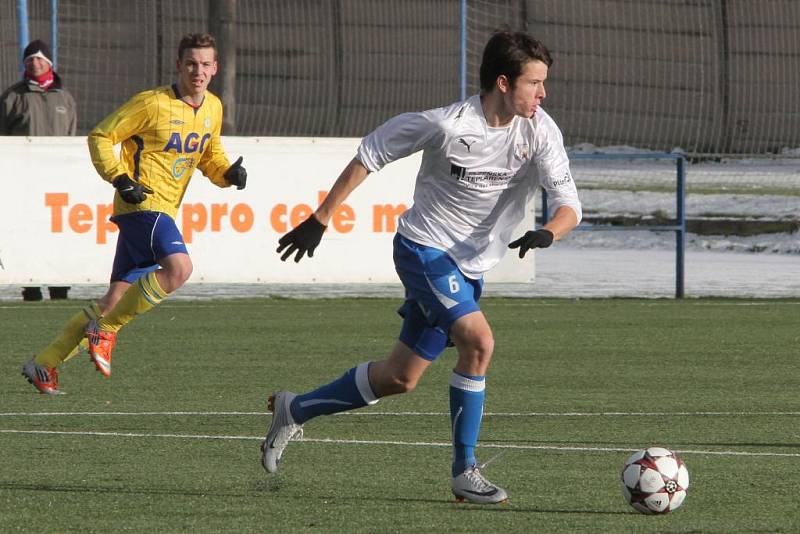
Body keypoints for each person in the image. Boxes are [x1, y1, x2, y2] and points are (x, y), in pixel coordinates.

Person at [262, 30, 582, 504]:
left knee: (399, 377)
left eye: (543, 83)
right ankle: (463, 472)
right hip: (423, 250)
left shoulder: (540, 131)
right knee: (479, 342)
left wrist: (548, 232)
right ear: (502, 82)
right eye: (534, 83)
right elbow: (371, 153)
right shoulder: (448, 125)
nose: (543, 93)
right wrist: (320, 218)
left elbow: (570, 204)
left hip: (470, 269)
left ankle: (295, 409)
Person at [21, 32, 247, 394]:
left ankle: (44, 363)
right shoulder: (152, 103)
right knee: (179, 269)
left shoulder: (213, 108)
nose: (198, 71)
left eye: (205, 64)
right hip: (141, 205)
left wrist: (227, 175)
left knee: (113, 301)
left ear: (215, 68)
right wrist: (121, 178)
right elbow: (101, 136)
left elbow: (209, 154)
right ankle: (105, 331)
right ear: (178, 65)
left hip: (163, 211)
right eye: (191, 63)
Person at [0, 39, 77, 135]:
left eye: (39, 58)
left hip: (58, 150)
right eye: (30, 59)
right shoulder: (12, 96)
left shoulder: (65, 98)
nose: (34, 63)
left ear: (49, 63)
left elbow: (71, 135)